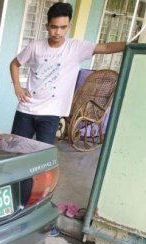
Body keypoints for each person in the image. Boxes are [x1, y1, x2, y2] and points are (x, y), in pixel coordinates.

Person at [10, 2, 126, 145]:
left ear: (69, 27)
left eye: (63, 27)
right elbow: (15, 64)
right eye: (54, 27)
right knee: (15, 150)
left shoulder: (76, 48)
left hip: (50, 113)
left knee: (43, 156)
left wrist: (132, 45)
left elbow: (107, 47)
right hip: (26, 110)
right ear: (47, 26)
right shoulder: (35, 47)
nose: (58, 32)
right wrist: (17, 86)